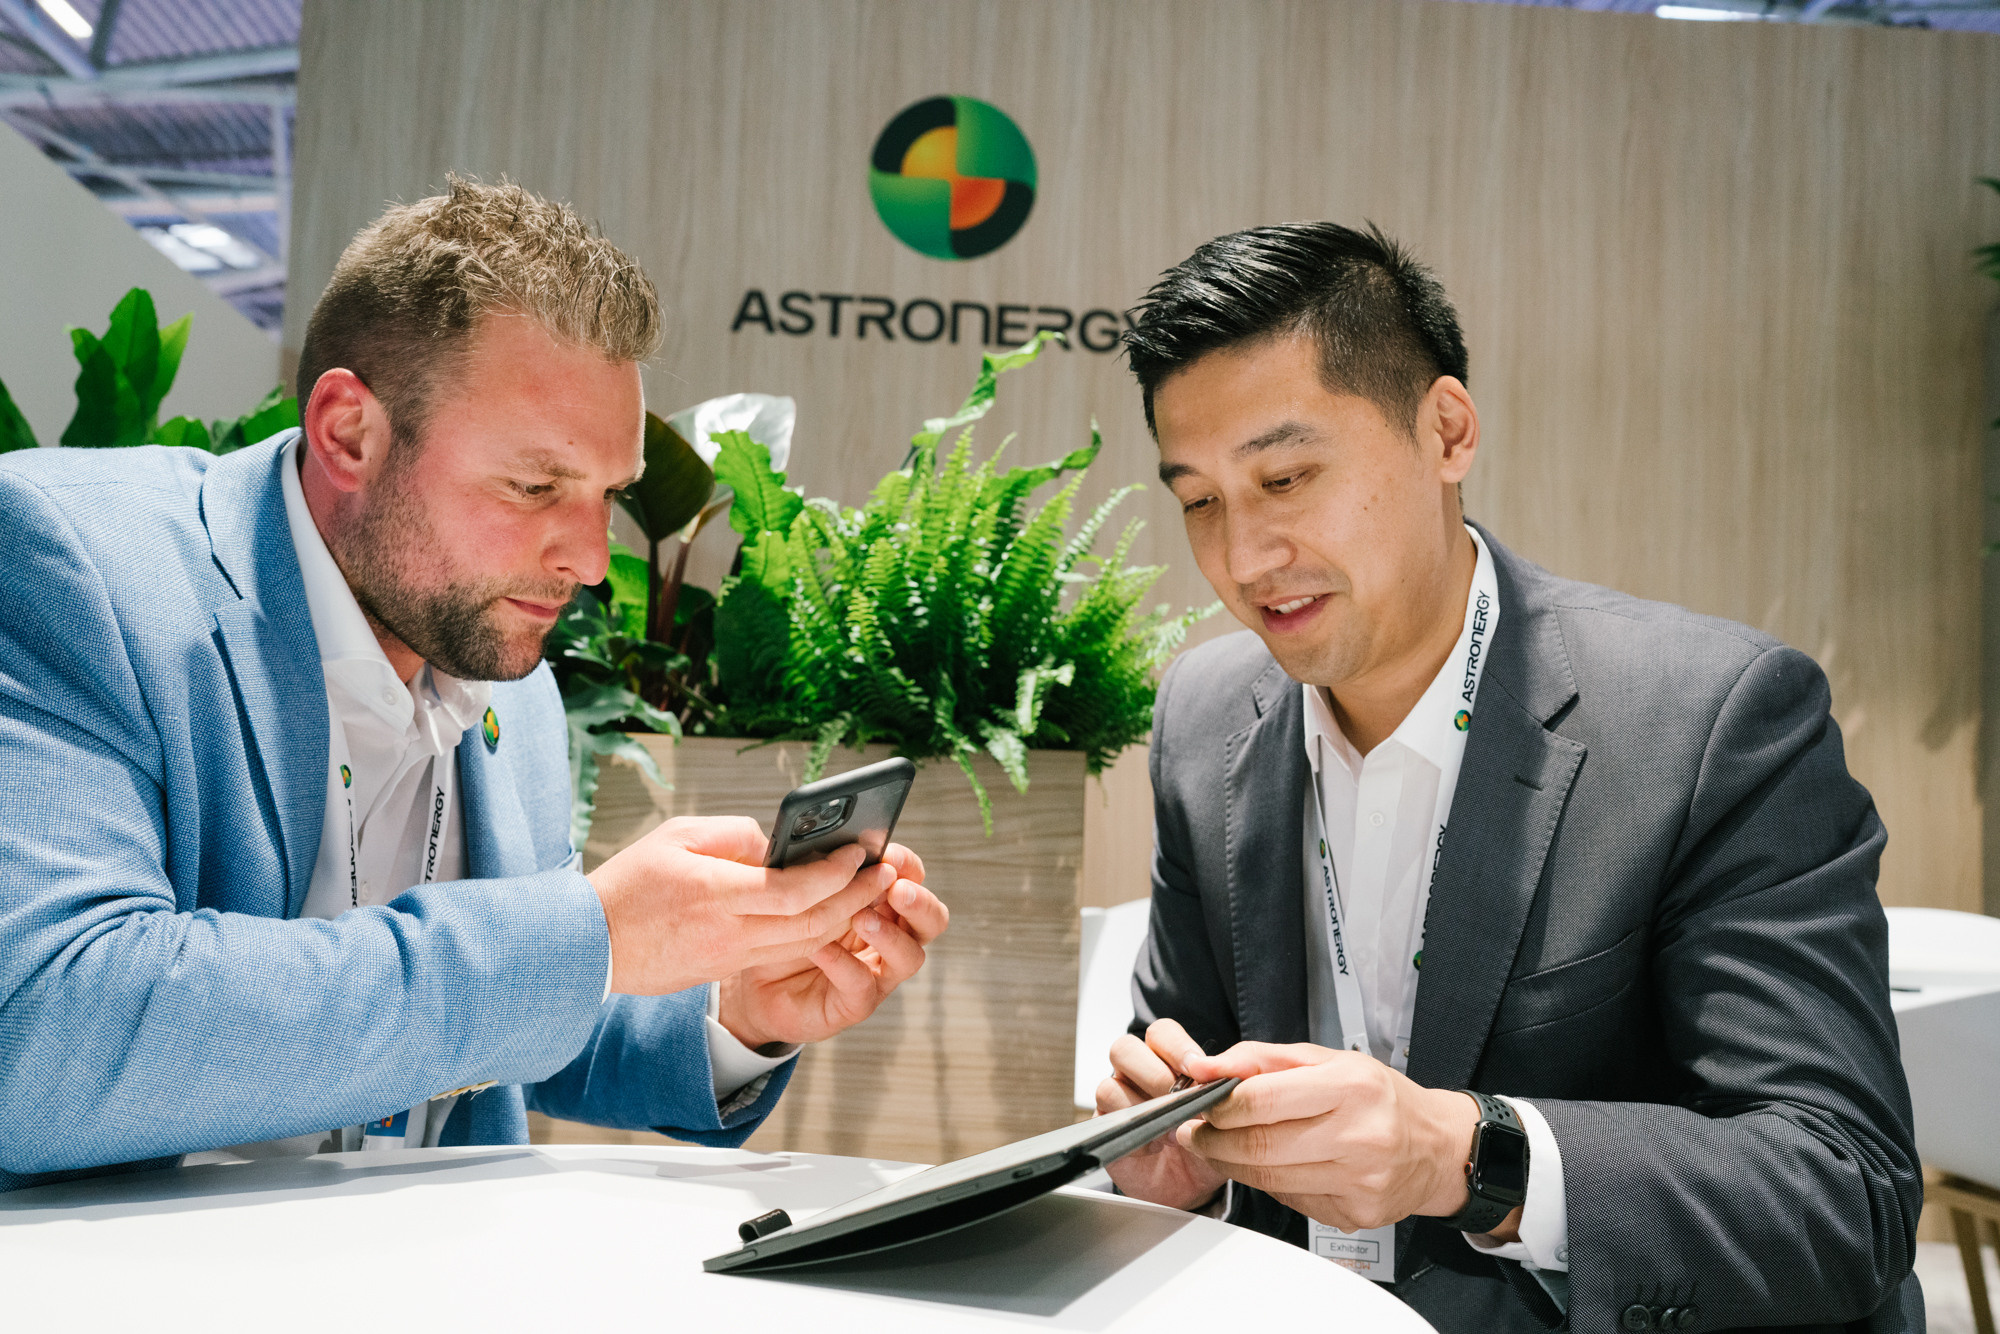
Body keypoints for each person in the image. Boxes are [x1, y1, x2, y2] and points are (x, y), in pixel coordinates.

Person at [0, 178, 945, 1190]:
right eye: (534, 486)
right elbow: (52, 1029)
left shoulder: (509, 680)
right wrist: (588, 935)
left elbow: (503, 1023)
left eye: (608, 496)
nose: (589, 560)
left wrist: (735, 1012)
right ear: (349, 433)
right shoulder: (74, 564)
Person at [1096, 223, 1921, 1333]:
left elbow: (1840, 1190)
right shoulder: (1204, 717)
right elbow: (1180, 1093)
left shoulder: (1711, 720)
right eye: (1198, 499)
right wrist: (1167, 1163)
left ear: (1444, 430)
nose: (1242, 558)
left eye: (1285, 477)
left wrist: (1463, 1153)